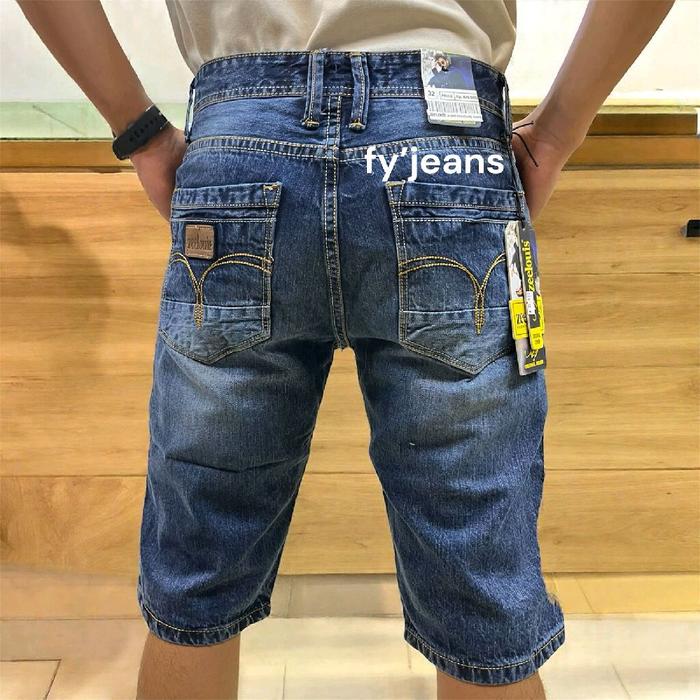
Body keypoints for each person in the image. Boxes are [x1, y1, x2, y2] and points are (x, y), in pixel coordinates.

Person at [16, 1, 675, 698]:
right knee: (476, 556)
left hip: (242, 137)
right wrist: (558, 131)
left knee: (200, 550)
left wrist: (141, 134)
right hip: (444, 138)